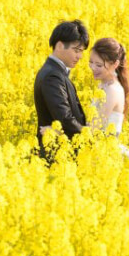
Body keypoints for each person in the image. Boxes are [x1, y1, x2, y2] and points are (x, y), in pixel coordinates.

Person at [34, 20, 89, 161]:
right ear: (59, 46)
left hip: (62, 152)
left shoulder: (54, 72)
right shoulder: (52, 76)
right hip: (57, 155)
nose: (80, 56)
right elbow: (64, 118)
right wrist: (90, 137)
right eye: (76, 50)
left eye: (81, 52)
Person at [88, 37, 129, 159]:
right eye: (91, 62)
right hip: (99, 150)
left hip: (106, 156)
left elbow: (93, 129)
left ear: (115, 65)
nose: (93, 68)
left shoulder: (112, 90)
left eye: (98, 65)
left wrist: (58, 131)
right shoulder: (104, 84)